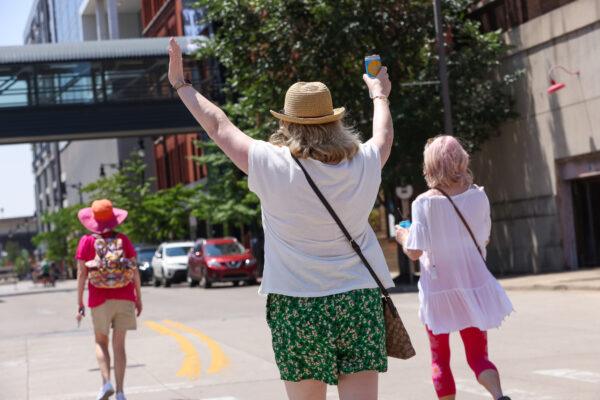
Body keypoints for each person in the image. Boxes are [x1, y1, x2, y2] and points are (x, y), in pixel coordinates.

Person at [168, 38, 395, 400]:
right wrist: (379, 94)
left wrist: (182, 85)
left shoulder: (270, 164)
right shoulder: (364, 162)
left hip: (297, 303)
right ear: (333, 120)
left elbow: (219, 126)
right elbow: (383, 136)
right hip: (358, 298)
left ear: (288, 123)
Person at [395, 135, 514, 400]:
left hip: (438, 290)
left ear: (430, 165)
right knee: (478, 356)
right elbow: (484, 238)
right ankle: (498, 396)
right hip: (472, 285)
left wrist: (403, 236)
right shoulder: (478, 198)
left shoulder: (423, 203)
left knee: (440, 358)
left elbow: (414, 252)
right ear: (462, 160)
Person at [75, 199, 143, 400]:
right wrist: (138, 297)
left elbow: (81, 273)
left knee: (100, 342)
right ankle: (121, 393)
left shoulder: (86, 241)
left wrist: (79, 302)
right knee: (119, 345)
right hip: (124, 295)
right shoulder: (123, 240)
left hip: (99, 299)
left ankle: (106, 383)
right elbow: (135, 271)